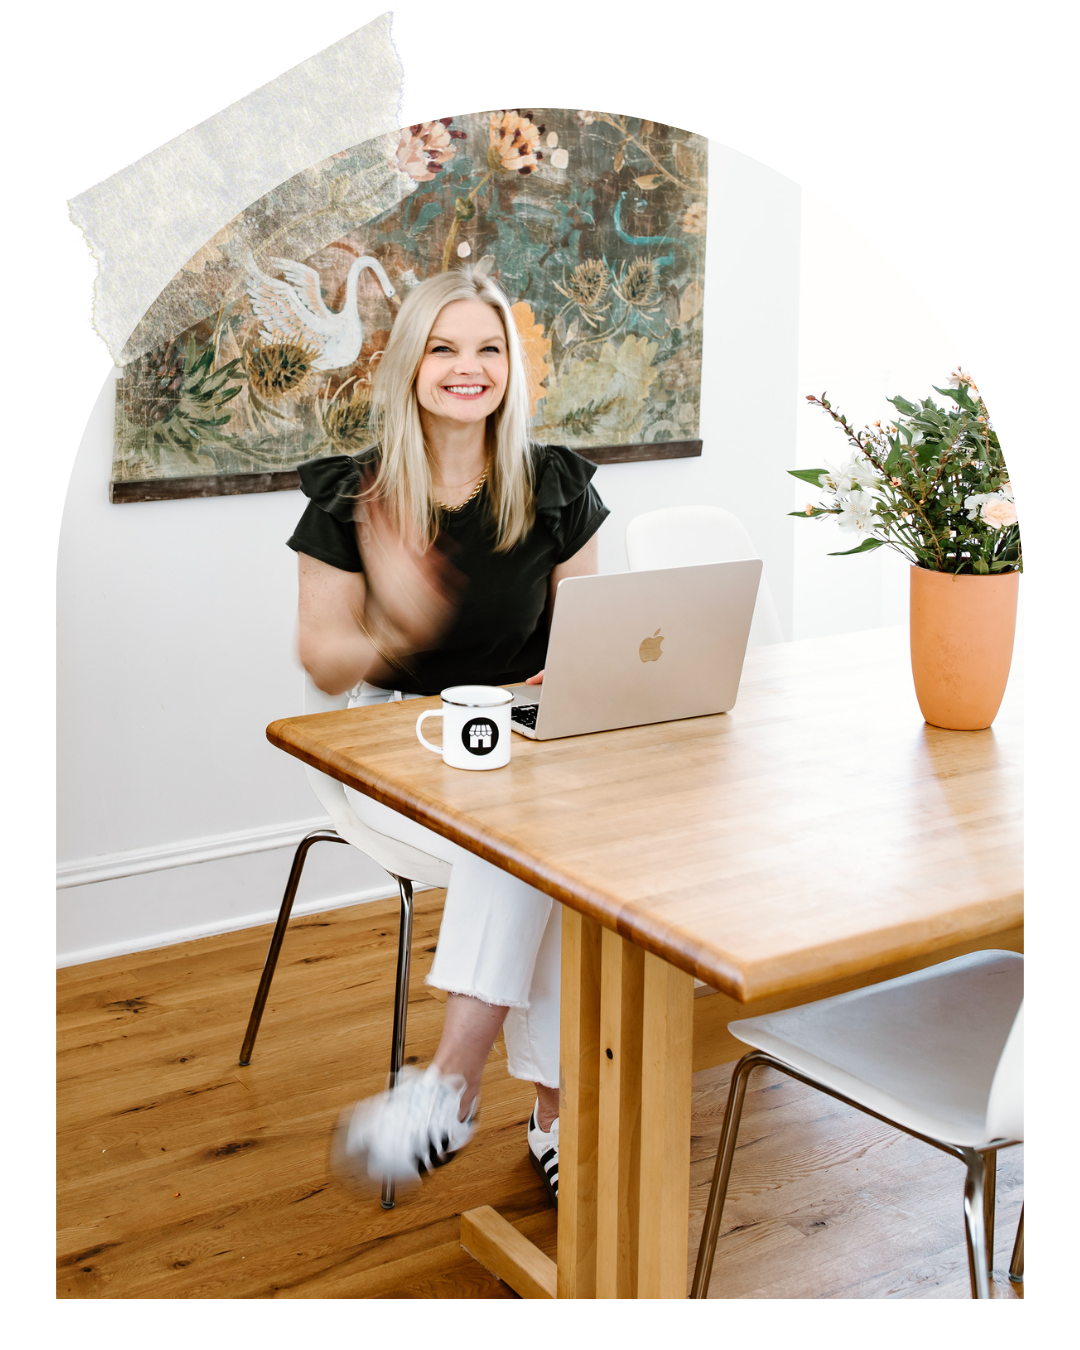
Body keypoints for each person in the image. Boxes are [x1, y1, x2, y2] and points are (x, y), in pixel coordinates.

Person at [286, 267, 609, 1206]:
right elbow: (322, 663)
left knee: (545, 841)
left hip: (522, 746)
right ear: (409, 365)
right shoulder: (353, 495)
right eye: (444, 348)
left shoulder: (555, 486)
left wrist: (562, 676)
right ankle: (490, 1093)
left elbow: (589, 640)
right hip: (389, 749)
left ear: (511, 366)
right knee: (532, 848)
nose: (470, 369)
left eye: (489, 348)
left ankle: (477, 1101)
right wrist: (397, 623)